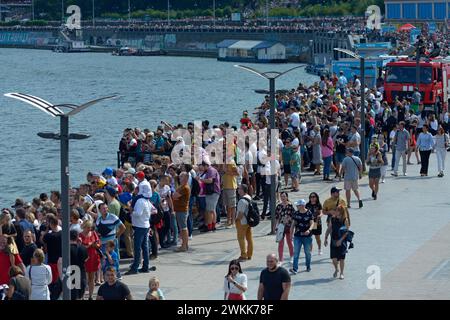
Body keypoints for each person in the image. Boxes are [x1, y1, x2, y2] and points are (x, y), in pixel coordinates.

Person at [126, 182, 154, 275]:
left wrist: (131, 211)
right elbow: (152, 210)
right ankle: (145, 266)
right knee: (145, 247)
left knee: (137, 247)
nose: (136, 190)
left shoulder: (140, 200)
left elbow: (138, 213)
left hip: (140, 226)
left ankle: (135, 267)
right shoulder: (146, 200)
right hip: (145, 225)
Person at [324, 206, 350, 280]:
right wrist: (325, 238)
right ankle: (336, 269)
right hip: (333, 240)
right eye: (335, 210)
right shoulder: (332, 219)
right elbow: (329, 228)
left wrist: (341, 240)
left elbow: (347, 232)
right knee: (334, 259)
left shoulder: (345, 220)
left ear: (341, 211)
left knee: (342, 258)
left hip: (342, 241)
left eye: (337, 210)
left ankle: (341, 273)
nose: (335, 211)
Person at [41, 213, 62, 300]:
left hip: (52, 261)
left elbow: (42, 239)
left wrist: (46, 230)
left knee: (52, 282)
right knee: (60, 280)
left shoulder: (49, 235)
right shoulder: (62, 233)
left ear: (51, 224)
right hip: (61, 259)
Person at [290, 199, 314, 274]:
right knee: (296, 253)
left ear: (302, 205)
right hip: (297, 235)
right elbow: (293, 224)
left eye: (298, 205)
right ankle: (295, 268)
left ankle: (308, 266)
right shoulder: (296, 213)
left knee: (307, 252)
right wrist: (291, 234)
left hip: (307, 236)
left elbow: (312, 223)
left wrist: (309, 230)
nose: (297, 206)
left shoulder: (309, 213)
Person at [79, 220, 101, 300]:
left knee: (92, 278)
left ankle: (90, 296)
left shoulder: (93, 233)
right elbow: (80, 247)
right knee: (85, 279)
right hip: (85, 259)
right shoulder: (80, 235)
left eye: (90, 227)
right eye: (88, 227)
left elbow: (99, 244)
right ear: (84, 227)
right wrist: (89, 245)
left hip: (93, 257)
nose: (89, 229)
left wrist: (96, 245)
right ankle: (83, 295)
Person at [199, 162, 221, 232]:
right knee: (212, 210)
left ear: (205, 166)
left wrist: (200, 179)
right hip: (212, 192)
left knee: (209, 210)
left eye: (201, 166)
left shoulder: (211, 170)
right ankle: (212, 226)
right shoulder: (209, 170)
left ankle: (209, 227)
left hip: (212, 192)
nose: (200, 167)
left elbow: (210, 180)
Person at [172, 172, 191, 252]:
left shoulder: (185, 188)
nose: (179, 178)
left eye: (181, 177)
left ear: (186, 178)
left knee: (183, 228)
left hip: (182, 210)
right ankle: (184, 244)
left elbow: (175, 195)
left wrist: (174, 195)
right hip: (179, 209)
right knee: (182, 227)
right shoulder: (181, 186)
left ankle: (184, 245)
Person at [275, 192, 294, 264]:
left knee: (289, 242)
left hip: (289, 226)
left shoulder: (290, 206)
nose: (283, 198)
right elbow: (276, 217)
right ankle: (280, 259)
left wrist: (289, 219)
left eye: (284, 196)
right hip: (280, 226)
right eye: (281, 196)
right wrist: (276, 227)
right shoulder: (279, 206)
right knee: (280, 243)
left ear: (287, 197)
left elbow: (294, 216)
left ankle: (292, 256)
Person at [235, 184, 253, 262]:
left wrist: (236, 220)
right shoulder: (249, 197)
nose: (238, 190)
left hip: (242, 222)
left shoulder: (242, 201)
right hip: (249, 221)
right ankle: (249, 254)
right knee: (249, 238)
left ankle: (243, 255)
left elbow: (241, 213)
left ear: (242, 190)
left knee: (241, 238)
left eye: (239, 189)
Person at [69, 229, 88, 300]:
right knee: (80, 296)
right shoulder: (82, 248)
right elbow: (86, 259)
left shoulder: (66, 249)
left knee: (72, 296)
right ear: (77, 237)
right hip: (81, 274)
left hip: (71, 274)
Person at [222, 162, 239, 228]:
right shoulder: (224, 162)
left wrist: (227, 172)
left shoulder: (231, 162)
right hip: (225, 186)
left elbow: (237, 173)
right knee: (227, 205)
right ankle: (228, 220)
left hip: (231, 186)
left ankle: (233, 222)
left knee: (232, 205)